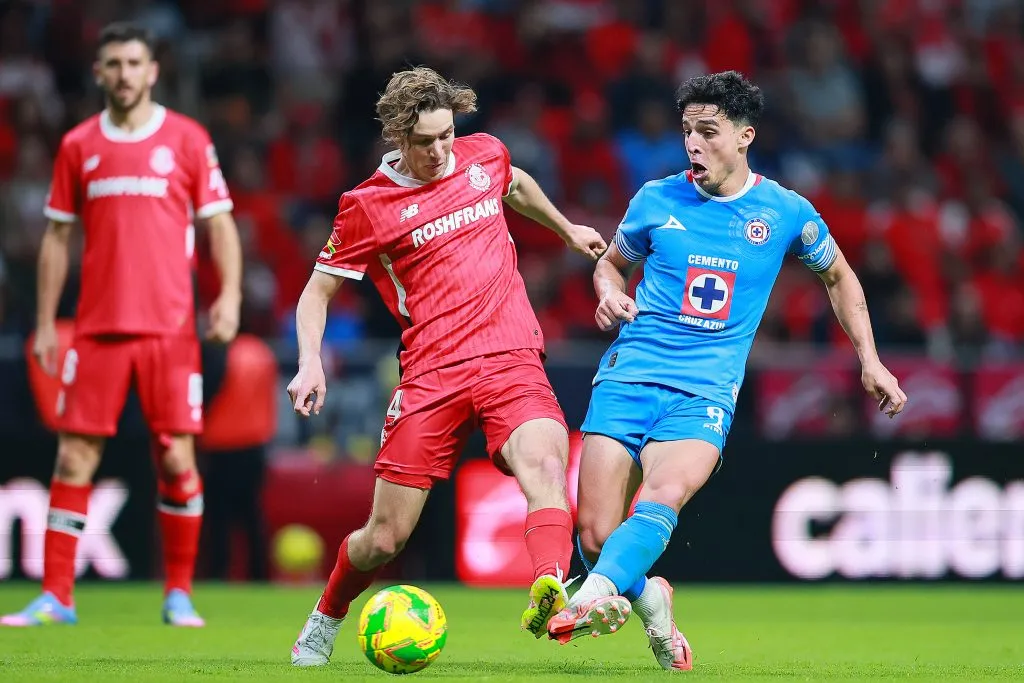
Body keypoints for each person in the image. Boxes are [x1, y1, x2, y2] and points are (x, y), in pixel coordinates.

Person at [546, 71, 908, 669]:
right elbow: (611, 265)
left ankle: (590, 598)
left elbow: (839, 275)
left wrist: (870, 359)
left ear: (745, 136)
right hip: (629, 375)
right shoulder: (655, 200)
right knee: (593, 536)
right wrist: (608, 292)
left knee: (663, 494)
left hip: (706, 389)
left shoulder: (786, 211)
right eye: (687, 130)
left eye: (708, 131)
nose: (693, 143)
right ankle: (649, 599)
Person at [286, 66, 607, 666]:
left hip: (511, 355)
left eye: (446, 136)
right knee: (385, 539)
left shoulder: (483, 155)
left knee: (545, 463)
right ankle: (327, 615)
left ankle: (550, 590)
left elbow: (514, 183)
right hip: (432, 373)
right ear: (397, 138)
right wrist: (310, 363)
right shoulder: (367, 205)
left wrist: (565, 230)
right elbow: (316, 292)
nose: (439, 152)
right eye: (425, 141)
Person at [1, 23, 242, 628]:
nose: (125, 74)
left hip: (170, 329)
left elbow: (219, 225)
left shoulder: (187, 140)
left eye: (135, 62)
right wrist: (47, 323)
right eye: (114, 64)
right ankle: (57, 596)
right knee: (74, 456)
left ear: (153, 70)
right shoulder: (79, 145)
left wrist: (230, 295)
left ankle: (179, 594)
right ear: (99, 73)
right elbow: (57, 237)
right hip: (98, 327)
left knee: (176, 458)